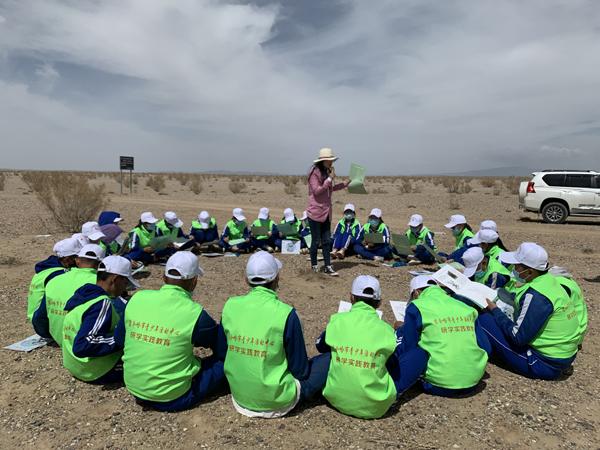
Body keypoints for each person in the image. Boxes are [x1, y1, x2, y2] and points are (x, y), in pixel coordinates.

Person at [219, 251, 327, 418]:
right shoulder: (287, 314)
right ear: (277, 278)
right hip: (277, 400)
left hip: (239, 396)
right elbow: (300, 371)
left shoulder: (230, 306)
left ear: (247, 280)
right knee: (327, 360)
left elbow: (222, 351)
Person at [115, 252, 226, 411]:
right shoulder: (195, 313)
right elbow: (218, 346)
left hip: (135, 388)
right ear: (194, 282)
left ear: (164, 277)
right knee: (223, 363)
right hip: (173, 397)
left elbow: (120, 340)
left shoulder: (137, 299)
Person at [316, 276, 428, 419]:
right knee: (419, 354)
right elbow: (392, 362)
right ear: (379, 303)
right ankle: (391, 395)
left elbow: (320, 346)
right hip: (375, 407)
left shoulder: (337, 320)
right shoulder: (386, 329)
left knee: (332, 355)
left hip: (334, 399)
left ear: (351, 298)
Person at [479, 243, 582, 380]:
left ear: (529, 272)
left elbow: (518, 337)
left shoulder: (536, 295)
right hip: (564, 355)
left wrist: (495, 310)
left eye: (517, 266)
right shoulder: (550, 281)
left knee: (484, 319)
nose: (514, 269)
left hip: (546, 363)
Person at [396, 275, 490, 397]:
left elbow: (409, 347)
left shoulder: (416, 307)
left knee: (404, 343)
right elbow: (486, 347)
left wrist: (400, 331)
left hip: (439, 385)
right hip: (474, 382)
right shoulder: (466, 308)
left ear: (416, 293)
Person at [62, 255, 139, 383]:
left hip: (74, 365)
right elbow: (83, 346)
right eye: (125, 283)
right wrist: (122, 339)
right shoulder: (102, 303)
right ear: (115, 279)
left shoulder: (84, 295)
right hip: (94, 370)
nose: (125, 288)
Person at [32, 244, 105, 346]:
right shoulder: (99, 283)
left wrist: (46, 334)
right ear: (101, 264)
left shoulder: (55, 280)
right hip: (81, 343)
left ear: (77, 260)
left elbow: (40, 317)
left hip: (57, 338)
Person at [306, 147, 349, 276]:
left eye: (332, 160)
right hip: (315, 212)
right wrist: (329, 179)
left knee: (326, 241)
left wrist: (344, 184)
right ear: (323, 160)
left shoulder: (326, 172)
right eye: (329, 160)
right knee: (315, 241)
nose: (331, 163)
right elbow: (317, 191)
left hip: (326, 212)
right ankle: (314, 266)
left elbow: (330, 189)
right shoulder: (314, 173)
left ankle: (328, 266)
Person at [27, 237, 80, 321]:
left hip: (35, 315)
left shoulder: (46, 268)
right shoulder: (59, 274)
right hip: (42, 319)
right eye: (76, 257)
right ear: (67, 259)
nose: (79, 260)